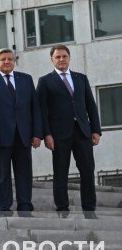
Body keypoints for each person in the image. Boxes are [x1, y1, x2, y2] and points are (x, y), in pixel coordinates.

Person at [0, 48, 43, 215]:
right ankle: (4, 206)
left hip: (23, 136)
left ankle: (25, 205)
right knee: (1, 174)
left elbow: (35, 108)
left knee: (24, 173)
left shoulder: (26, 79)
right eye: (3, 59)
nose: (6, 62)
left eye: (10, 59)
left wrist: (37, 134)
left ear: (14, 62)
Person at [37, 44, 101, 213]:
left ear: (69, 58)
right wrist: (46, 134)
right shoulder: (45, 81)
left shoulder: (81, 78)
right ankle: (62, 208)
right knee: (60, 172)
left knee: (88, 170)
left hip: (83, 132)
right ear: (52, 59)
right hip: (59, 135)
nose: (61, 60)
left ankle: (89, 208)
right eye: (57, 57)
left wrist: (96, 130)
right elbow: (42, 111)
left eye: (64, 56)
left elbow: (91, 106)